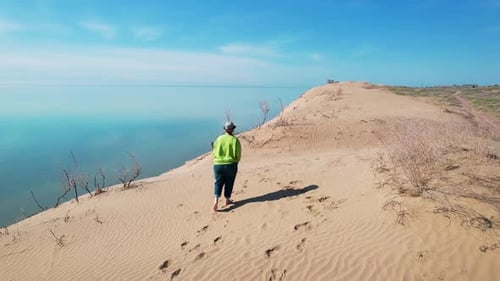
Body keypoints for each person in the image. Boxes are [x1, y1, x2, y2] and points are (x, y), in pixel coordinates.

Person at [212, 121, 241, 211]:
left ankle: (216, 199)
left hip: (218, 164)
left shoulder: (219, 138)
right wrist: (235, 162)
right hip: (231, 164)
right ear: (232, 130)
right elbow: (238, 154)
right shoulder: (235, 140)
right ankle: (227, 199)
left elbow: (214, 151)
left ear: (224, 129)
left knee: (218, 182)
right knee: (229, 181)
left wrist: (217, 159)